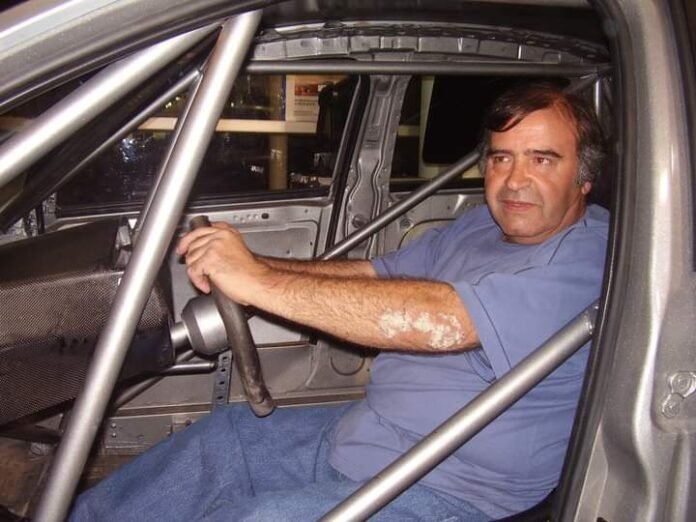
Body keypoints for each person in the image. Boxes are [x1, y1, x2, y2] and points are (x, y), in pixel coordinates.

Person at [70, 81, 609, 521]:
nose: (514, 181)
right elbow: (377, 274)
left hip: (454, 488)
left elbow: (445, 320)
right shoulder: (479, 227)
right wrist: (255, 264)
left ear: (584, 178)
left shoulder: (593, 256)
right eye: (501, 158)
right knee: (221, 439)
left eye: (543, 159)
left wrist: (257, 282)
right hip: (366, 433)